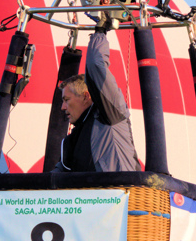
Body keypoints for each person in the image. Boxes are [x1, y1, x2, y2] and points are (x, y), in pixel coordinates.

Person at [52, 21, 139, 172]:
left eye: (66, 100)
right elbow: (53, 179)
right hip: (89, 196)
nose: (62, 107)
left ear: (86, 97)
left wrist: (100, 32)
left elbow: (95, 66)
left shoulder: (110, 114)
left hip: (119, 193)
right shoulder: (72, 141)